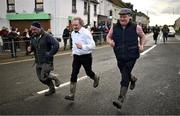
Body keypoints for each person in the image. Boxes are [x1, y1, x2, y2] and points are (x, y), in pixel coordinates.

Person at [106, 8, 145, 109]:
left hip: (132, 55)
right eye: (121, 16)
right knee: (124, 72)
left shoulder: (136, 27)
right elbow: (108, 37)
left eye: (125, 16)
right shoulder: (114, 27)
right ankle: (133, 79)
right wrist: (110, 41)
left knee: (125, 75)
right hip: (119, 55)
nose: (122, 18)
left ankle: (120, 99)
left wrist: (141, 46)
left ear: (130, 17)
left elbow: (142, 36)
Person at [65, 17, 100, 101]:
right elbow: (74, 44)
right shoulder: (73, 33)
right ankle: (71, 94)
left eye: (76, 25)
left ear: (81, 24)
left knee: (88, 72)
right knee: (73, 74)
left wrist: (82, 47)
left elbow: (93, 45)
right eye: (73, 25)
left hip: (86, 56)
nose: (74, 27)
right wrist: (73, 52)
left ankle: (95, 78)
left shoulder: (86, 33)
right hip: (76, 57)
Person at [27, 21, 61, 96]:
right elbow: (33, 46)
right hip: (38, 61)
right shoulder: (33, 36)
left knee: (44, 76)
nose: (33, 31)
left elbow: (56, 44)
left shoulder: (47, 36)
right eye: (32, 30)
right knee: (41, 79)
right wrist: (30, 49)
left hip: (47, 61)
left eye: (34, 29)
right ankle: (52, 89)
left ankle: (54, 77)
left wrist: (50, 53)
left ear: (39, 29)